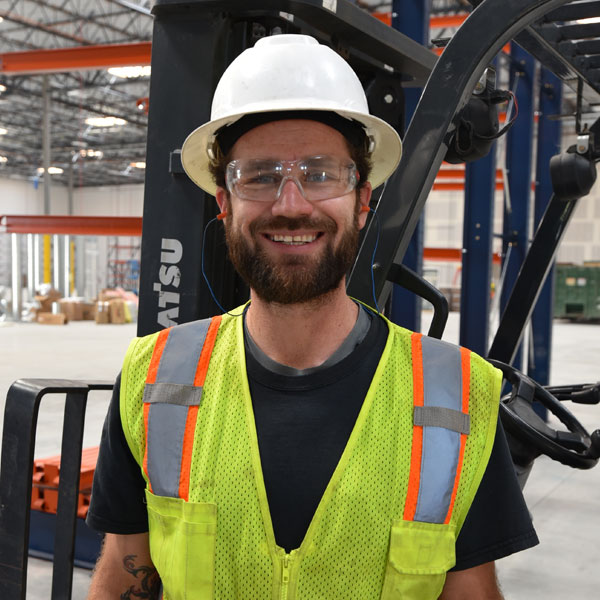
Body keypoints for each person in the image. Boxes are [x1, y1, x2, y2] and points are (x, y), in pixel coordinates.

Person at [86, 34, 537, 600]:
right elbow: (122, 576)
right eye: (260, 175)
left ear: (363, 199)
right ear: (224, 202)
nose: (292, 203)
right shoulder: (153, 379)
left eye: (321, 173)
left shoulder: (458, 397)